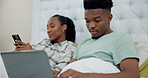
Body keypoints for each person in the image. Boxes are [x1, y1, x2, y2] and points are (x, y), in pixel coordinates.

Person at [59, 0, 140, 78]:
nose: (91, 26)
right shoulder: (82, 44)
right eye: (87, 21)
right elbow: (70, 70)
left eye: (97, 20)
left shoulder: (121, 39)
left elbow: (132, 75)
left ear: (109, 18)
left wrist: (85, 76)